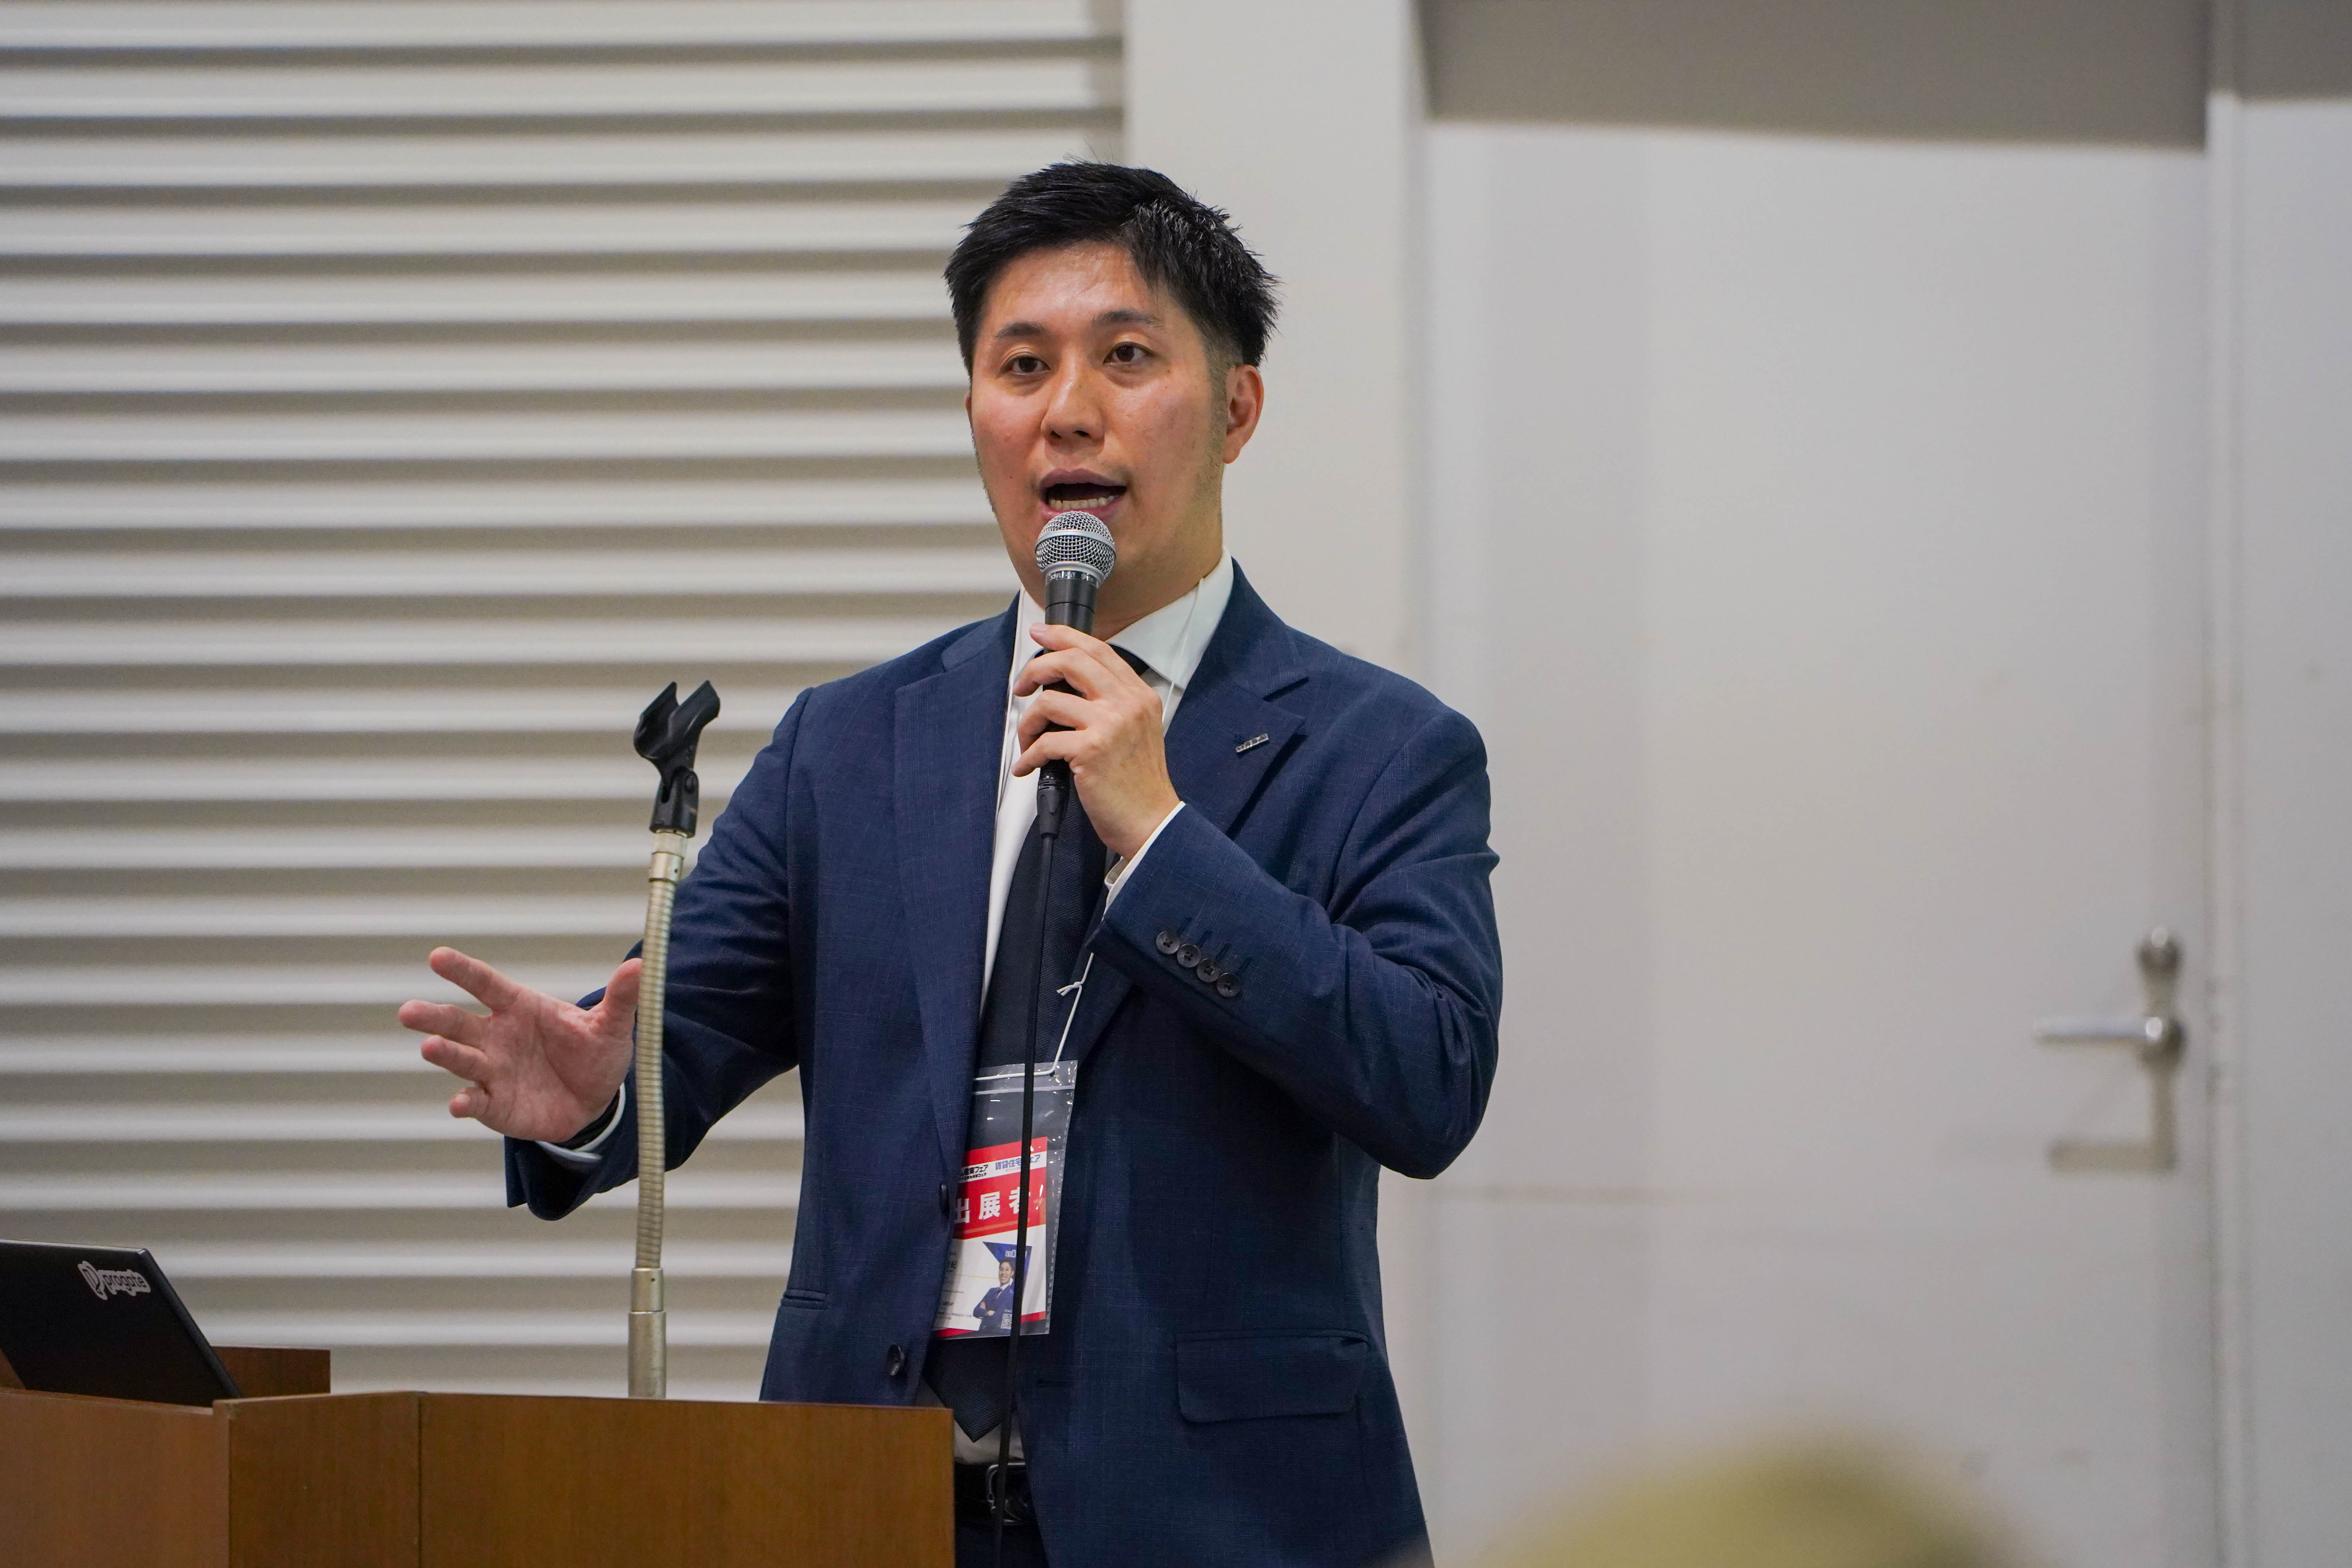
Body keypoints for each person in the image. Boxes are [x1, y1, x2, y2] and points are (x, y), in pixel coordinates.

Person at [399, 162, 1502, 1568]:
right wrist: (594, 1097)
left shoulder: (1379, 746)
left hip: (1224, 1519)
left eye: (1125, 357)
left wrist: (1163, 837)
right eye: (1020, 366)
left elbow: (1427, 1080)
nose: (1067, 410)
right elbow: (674, 1042)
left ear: (1235, 409)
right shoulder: (850, 744)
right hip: (869, 1507)